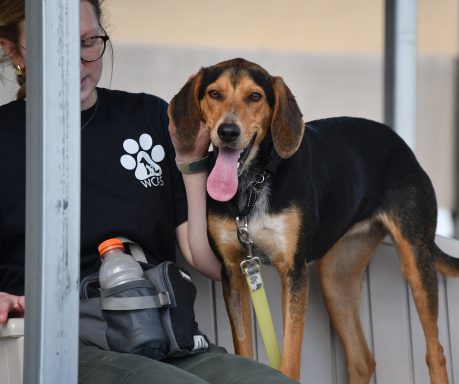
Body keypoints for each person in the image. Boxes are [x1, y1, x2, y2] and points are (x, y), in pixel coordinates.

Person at [0, 1, 297, 383]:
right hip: (60, 342)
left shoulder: (148, 116)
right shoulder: (5, 138)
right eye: (57, 45)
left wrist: (190, 162)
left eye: (90, 42)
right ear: (13, 52)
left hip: (164, 332)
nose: (77, 61)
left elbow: (206, 263)